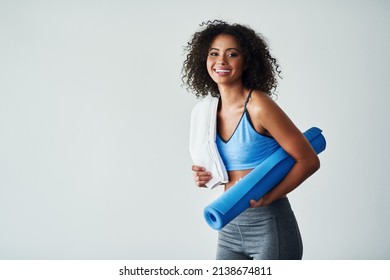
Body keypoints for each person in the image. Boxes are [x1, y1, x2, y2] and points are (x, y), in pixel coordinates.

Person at [182, 20, 320, 260]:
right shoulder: (206, 113)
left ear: (246, 62)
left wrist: (270, 197)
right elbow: (220, 169)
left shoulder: (258, 105)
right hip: (227, 222)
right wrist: (203, 175)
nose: (221, 61)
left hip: (268, 224)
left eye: (232, 54)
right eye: (214, 53)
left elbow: (308, 160)